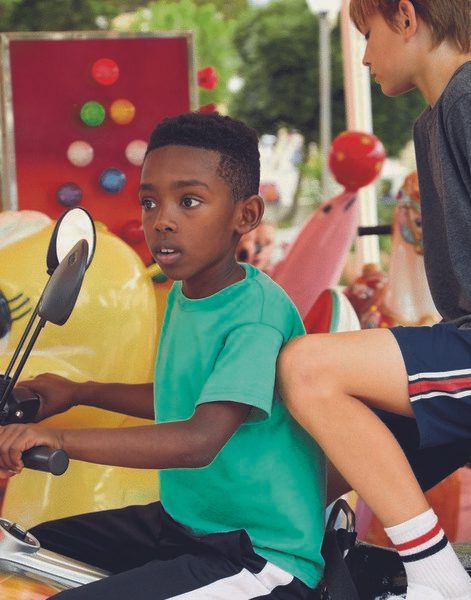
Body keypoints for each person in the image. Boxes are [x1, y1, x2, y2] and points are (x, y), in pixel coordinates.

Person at [0, 112, 326, 599]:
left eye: (188, 201)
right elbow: (183, 399)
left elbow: (198, 440)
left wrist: (56, 435)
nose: (162, 220)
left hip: (256, 554)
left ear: (247, 215)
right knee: (23, 553)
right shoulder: (186, 293)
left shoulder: (255, 314)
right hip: (186, 525)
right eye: (149, 202)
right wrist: (76, 391)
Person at [277, 1, 471, 599]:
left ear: (407, 18)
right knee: (317, 471)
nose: (363, 55)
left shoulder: (466, 100)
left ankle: (437, 576)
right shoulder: (433, 120)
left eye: (368, 33)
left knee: (307, 366)